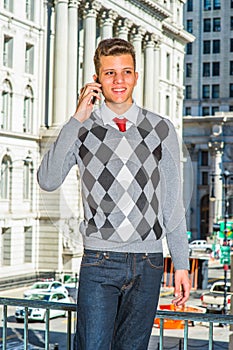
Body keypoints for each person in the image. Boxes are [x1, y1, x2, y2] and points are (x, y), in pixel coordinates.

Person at [37, 38, 190, 350]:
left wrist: (182, 264)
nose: (119, 80)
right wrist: (76, 118)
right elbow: (48, 180)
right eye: (109, 73)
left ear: (136, 76)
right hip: (99, 260)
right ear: (97, 79)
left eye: (126, 72)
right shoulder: (81, 129)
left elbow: (172, 203)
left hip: (148, 262)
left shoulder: (161, 129)